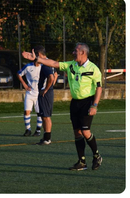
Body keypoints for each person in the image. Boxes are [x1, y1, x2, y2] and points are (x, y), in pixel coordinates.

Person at [22, 42, 103, 171]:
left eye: (76, 50)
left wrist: (94, 105)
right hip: (75, 103)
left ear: (82, 52)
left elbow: (99, 88)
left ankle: (96, 156)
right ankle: (82, 162)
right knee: (77, 132)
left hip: (87, 103)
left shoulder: (93, 69)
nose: (73, 53)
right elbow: (54, 64)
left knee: (85, 131)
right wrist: (36, 59)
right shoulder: (71, 65)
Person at [32, 46, 59, 145]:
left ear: (38, 54)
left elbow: (51, 77)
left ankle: (47, 139)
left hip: (45, 93)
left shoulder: (45, 65)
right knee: (44, 115)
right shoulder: (49, 62)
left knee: (46, 116)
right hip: (47, 92)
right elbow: (55, 75)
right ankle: (45, 137)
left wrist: (46, 89)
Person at [17, 51, 44, 137]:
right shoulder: (28, 66)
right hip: (29, 93)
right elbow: (18, 74)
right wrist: (24, 84)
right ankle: (28, 130)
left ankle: (38, 130)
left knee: (39, 112)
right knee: (26, 111)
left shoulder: (43, 67)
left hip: (39, 94)